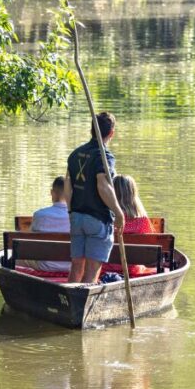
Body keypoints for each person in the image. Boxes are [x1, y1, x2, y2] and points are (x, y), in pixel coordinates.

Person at [63, 112, 125, 284]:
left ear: (91, 130)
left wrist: (70, 210)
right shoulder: (104, 157)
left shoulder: (75, 154)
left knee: (76, 266)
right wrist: (119, 213)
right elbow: (102, 185)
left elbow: (67, 185)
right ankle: (83, 306)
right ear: (111, 133)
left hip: (76, 216)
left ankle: (70, 303)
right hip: (97, 219)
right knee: (91, 269)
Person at [23, 176, 70, 273]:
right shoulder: (76, 217)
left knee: (15, 257)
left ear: (52, 193)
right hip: (72, 267)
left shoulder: (40, 215)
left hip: (44, 266)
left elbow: (28, 239)